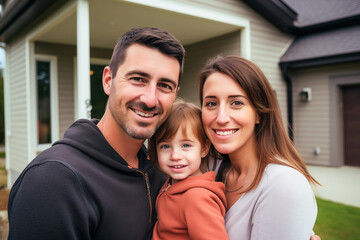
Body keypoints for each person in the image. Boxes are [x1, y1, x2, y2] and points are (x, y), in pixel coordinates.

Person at [7, 27, 185, 240]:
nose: (150, 99)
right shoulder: (53, 182)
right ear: (108, 80)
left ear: (175, 95)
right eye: (138, 78)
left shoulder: (160, 170)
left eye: (165, 85)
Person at [199, 55, 319, 239]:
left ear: (259, 114)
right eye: (211, 103)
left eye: (236, 103)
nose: (221, 117)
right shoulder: (207, 171)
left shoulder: (284, 186)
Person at [148, 99, 229, 240]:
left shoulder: (196, 197)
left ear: (204, 148)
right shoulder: (171, 185)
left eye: (186, 145)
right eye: (165, 146)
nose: (175, 156)